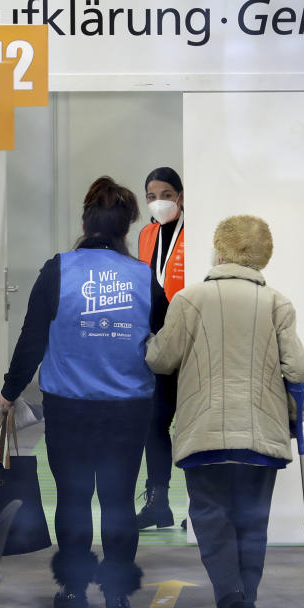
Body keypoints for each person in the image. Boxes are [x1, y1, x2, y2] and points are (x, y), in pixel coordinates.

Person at [0, 176, 168, 608]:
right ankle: (117, 600)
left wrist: (10, 390)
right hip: (128, 408)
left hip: (69, 406)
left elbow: (31, 338)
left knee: (73, 498)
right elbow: (166, 342)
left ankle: (73, 592)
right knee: (117, 501)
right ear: (127, 227)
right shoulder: (143, 277)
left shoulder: (59, 269)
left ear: (84, 221)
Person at [145, 215, 304, 608]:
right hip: (261, 433)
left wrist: (147, 342)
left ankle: (228, 593)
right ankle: (246, 596)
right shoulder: (277, 303)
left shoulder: (189, 300)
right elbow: (298, 369)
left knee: (209, 513)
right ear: (263, 256)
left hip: (204, 432)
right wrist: (296, 418)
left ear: (219, 250)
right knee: (252, 518)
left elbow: (162, 359)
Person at [135, 167, 186, 530]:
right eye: (152, 196)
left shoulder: (194, 233)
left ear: (181, 197)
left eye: (166, 194)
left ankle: (198, 508)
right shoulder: (146, 234)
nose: (159, 202)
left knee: (192, 423)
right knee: (154, 422)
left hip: (190, 337)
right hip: (155, 340)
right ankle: (158, 502)